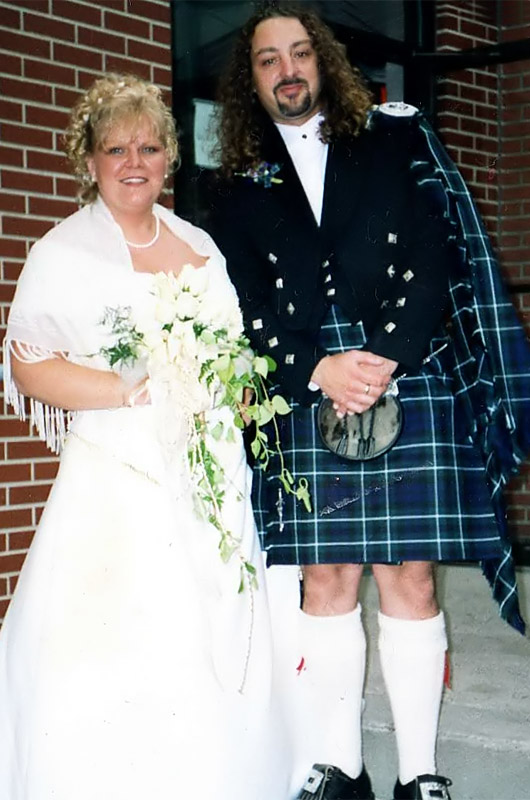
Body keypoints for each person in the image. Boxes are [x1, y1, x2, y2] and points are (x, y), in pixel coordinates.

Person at [207, 5, 530, 800]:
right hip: (306, 378)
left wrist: (382, 356)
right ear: (250, 82)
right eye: (267, 59)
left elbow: (433, 253)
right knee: (328, 580)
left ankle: (420, 775)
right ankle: (340, 769)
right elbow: (236, 302)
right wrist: (317, 367)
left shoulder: (392, 140)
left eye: (299, 52)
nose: (286, 69)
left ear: (324, 61)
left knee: (410, 578)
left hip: (402, 363)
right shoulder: (233, 188)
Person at [0, 73, 291, 800]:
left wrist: (227, 391)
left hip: (205, 470)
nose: (136, 162)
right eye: (116, 148)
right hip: (116, 476)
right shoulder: (61, 251)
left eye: (151, 147)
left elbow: (231, 349)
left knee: (205, 640)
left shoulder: (198, 243)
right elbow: (29, 369)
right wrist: (129, 390)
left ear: (170, 158)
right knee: (116, 644)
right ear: (90, 160)